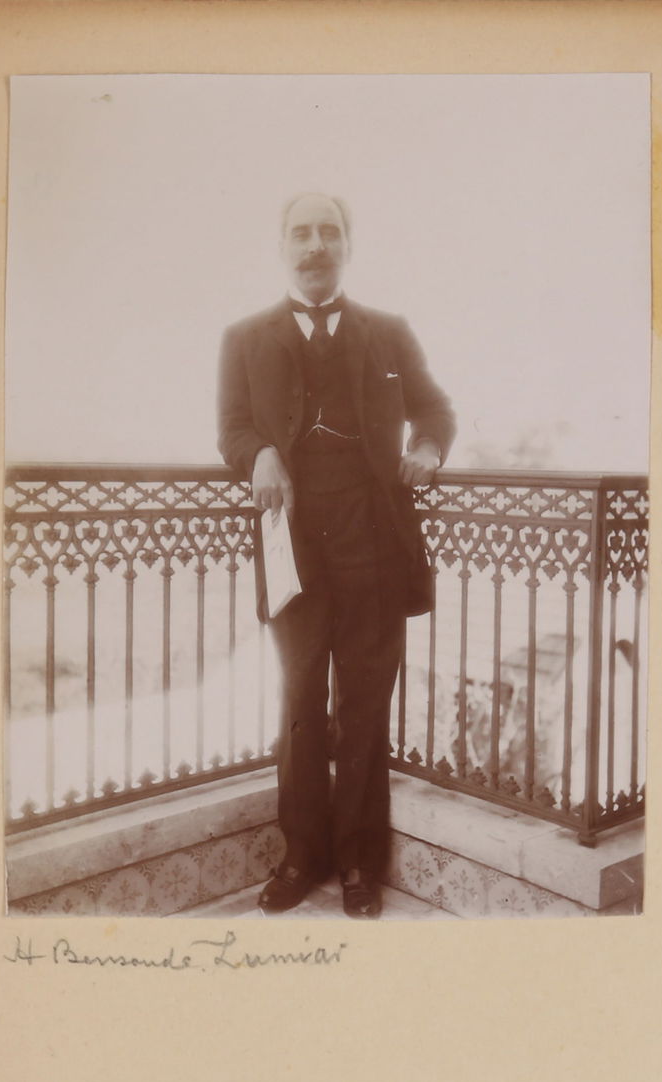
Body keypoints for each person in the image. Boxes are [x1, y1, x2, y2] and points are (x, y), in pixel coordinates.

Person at [218, 193, 457, 918]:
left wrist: (426, 448)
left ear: (348, 244)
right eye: (301, 233)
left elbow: (436, 411)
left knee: (361, 703)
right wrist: (257, 454)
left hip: (372, 539)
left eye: (329, 232)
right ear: (281, 246)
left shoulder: (388, 332)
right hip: (292, 540)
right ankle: (302, 856)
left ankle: (358, 861)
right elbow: (231, 429)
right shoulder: (244, 337)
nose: (315, 245)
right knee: (299, 700)